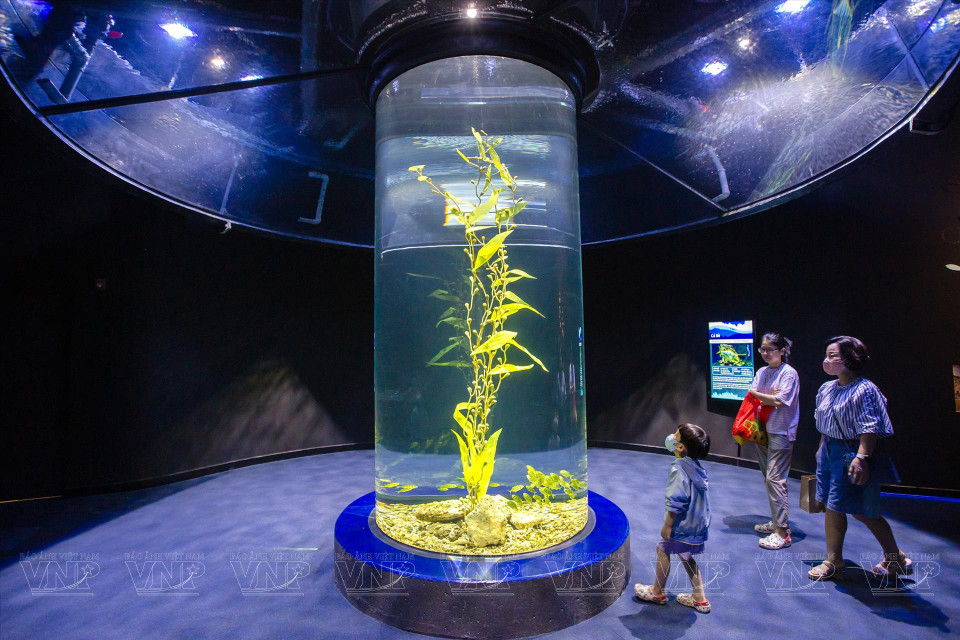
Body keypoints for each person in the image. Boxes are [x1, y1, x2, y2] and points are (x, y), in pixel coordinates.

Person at [808, 336, 911, 580]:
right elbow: (823, 423)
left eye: (833, 355)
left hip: (852, 452)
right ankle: (841, 559)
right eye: (827, 355)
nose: (827, 360)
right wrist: (821, 449)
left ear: (850, 358)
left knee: (862, 510)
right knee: (833, 506)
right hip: (830, 451)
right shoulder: (827, 388)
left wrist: (861, 456)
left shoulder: (865, 389)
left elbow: (869, 427)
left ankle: (883, 557)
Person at [634, 424, 712, 613]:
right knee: (685, 554)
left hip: (682, 524)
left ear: (681, 447)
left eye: (675, 435)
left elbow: (677, 499)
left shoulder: (679, 469)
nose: (671, 437)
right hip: (696, 523)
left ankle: (657, 591)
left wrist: (668, 524)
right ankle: (700, 599)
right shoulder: (696, 467)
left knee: (662, 549)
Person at [748, 332, 799, 550]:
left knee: (775, 479)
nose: (766, 353)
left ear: (783, 350)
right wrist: (766, 396)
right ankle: (777, 522)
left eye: (770, 349)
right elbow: (759, 395)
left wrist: (760, 394)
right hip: (762, 430)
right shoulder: (761, 371)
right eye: (763, 349)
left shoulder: (789, 374)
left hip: (781, 431)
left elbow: (780, 401)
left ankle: (782, 532)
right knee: (769, 479)